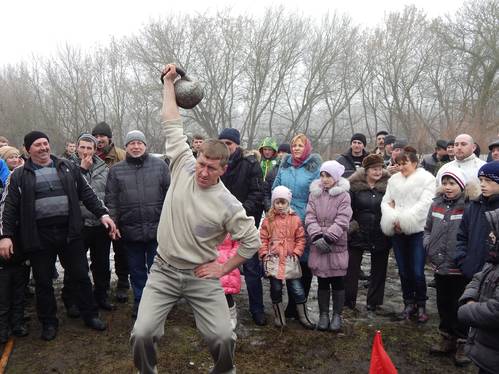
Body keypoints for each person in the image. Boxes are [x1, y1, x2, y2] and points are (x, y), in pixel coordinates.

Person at [131, 64, 261, 374]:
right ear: (197, 156)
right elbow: (171, 121)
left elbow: (251, 240)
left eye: (211, 168)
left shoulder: (228, 204)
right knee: (142, 334)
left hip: (201, 275)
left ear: (222, 170)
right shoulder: (182, 166)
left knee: (223, 337)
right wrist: (168, 82)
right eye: (201, 163)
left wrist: (224, 267)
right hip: (163, 269)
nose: (203, 171)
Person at [0, 131, 116, 341]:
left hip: (70, 232)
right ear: (28, 149)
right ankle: (49, 323)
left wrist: (103, 214)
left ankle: (90, 315)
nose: (43, 147)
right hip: (38, 236)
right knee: (43, 281)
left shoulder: (67, 167)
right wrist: (5, 236)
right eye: (37, 145)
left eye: (46, 143)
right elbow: (8, 208)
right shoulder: (18, 175)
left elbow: (87, 193)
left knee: (81, 275)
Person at [106, 130, 170, 318]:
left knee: (158, 270)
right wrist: (114, 223)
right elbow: (112, 200)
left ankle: (159, 304)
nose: (135, 146)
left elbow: (169, 195)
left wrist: (170, 223)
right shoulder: (116, 170)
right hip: (130, 230)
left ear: (145, 145)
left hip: (157, 229)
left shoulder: (160, 166)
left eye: (139, 143)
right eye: (131, 143)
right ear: (125, 147)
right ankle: (140, 302)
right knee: (136, 270)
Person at [425, 167, 477, 366]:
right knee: (443, 303)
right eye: (445, 183)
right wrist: (428, 245)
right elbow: (427, 229)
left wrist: (466, 258)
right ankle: (446, 338)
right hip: (439, 264)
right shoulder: (436, 204)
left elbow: (472, 235)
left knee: (460, 305)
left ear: (461, 185)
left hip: (459, 267)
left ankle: (463, 342)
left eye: (452, 183)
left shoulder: (469, 206)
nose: (447, 187)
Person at [381, 146, 435, 323]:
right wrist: (393, 219)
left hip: (417, 230)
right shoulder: (394, 180)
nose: (402, 167)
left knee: (417, 270)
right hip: (397, 231)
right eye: (399, 164)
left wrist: (404, 220)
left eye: (405, 163)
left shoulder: (427, 179)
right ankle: (408, 302)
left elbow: (425, 204)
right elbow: (386, 202)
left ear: (414, 163)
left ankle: (421, 304)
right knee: (403, 270)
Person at [218, 127, 265, 325]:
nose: (226, 147)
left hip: (244, 222)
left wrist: (239, 214)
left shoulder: (250, 164)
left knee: (251, 268)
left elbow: (257, 192)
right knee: (219, 268)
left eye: (229, 143)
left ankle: (257, 309)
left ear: (236, 144)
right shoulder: (216, 161)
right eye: (223, 143)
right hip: (219, 225)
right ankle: (219, 308)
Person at [273, 134, 322, 319]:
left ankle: (298, 305)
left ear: (307, 147)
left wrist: (307, 216)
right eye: (294, 145)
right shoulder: (284, 165)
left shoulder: (314, 168)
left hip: (304, 217)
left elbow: (317, 194)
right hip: (283, 217)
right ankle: (287, 304)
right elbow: (275, 187)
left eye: (300, 145)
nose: (296, 148)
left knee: (302, 262)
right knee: (285, 259)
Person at [67, 134, 115, 312]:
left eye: (90, 148)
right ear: (77, 147)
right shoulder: (66, 166)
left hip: (100, 224)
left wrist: (110, 219)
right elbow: (71, 190)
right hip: (79, 224)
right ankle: (72, 300)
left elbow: (109, 195)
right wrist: (82, 169)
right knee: (76, 265)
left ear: (95, 150)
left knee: (102, 263)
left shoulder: (104, 168)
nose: (86, 151)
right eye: (83, 147)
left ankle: (101, 296)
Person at [306, 160, 352, 331]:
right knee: (322, 281)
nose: (325, 179)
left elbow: (343, 219)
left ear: (336, 177)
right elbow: (309, 216)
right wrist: (317, 235)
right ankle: (324, 314)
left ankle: (337, 315)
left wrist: (329, 237)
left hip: (336, 245)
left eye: (329, 176)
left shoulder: (343, 196)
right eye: (322, 175)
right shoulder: (314, 194)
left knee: (337, 280)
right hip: (318, 244)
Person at [259, 186, 313, 329]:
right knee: (276, 288)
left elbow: (301, 238)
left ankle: (304, 316)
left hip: (290, 259)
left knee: (297, 288)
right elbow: (262, 239)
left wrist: (296, 252)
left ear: (288, 203)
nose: (280, 205)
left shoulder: (295, 219)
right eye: (277, 202)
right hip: (274, 260)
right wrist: (264, 254)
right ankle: (279, 317)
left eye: (283, 202)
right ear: (273, 203)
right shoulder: (268, 220)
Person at [345, 154, 391, 312]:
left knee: (379, 269)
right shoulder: (354, 186)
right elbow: (347, 208)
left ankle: (374, 302)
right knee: (351, 269)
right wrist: (352, 225)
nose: (378, 172)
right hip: (358, 231)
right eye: (374, 169)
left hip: (380, 231)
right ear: (366, 170)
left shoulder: (388, 186)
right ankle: (348, 301)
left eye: (380, 168)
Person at [458, 207, 499, 374]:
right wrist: (470, 298)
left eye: (494, 232)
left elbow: (495, 311)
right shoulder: (494, 258)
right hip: (488, 351)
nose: (490, 236)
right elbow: (478, 279)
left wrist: (467, 310)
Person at [91, 121, 129, 302]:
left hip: (119, 210)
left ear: (109, 138)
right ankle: (101, 287)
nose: (99, 140)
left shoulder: (121, 155)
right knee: (100, 254)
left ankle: (123, 282)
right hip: (97, 212)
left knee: (120, 249)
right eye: (96, 136)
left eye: (102, 136)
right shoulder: (88, 155)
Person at [455, 161, 499, 282]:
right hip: (471, 274)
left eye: (488, 180)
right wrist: (463, 261)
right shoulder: (474, 206)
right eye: (481, 180)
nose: (483, 184)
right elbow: (462, 236)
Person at [216, 235, 242, 329]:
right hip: (210, 261)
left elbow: (238, 243)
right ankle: (214, 316)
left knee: (226, 292)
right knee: (210, 292)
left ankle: (231, 316)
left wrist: (231, 256)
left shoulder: (229, 225)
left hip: (227, 263)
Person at [263, 143, 290, 212]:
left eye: (284, 152)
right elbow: (266, 192)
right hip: (273, 210)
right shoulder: (272, 171)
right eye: (279, 152)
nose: (281, 154)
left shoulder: (294, 170)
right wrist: (269, 207)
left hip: (290, 211)